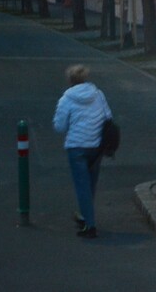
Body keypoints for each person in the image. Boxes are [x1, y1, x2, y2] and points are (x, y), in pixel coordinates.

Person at [53, 64, 112, 239]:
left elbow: (59, 126)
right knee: (90, 184)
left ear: (70, 80)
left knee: (82, 186)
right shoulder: (98, 94)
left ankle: (90, 225)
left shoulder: (66, 99)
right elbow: (108, 117)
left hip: (77, 146)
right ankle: (84, 214)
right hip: (96, 146)